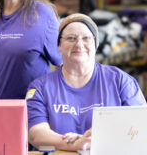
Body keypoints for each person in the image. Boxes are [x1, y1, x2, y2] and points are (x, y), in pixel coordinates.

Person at [26, 13, 146, 151]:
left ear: (96, 44)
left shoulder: (120, 81)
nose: (79, 44)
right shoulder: (40, 87)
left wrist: (97, 140)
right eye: (71, 38)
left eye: (86, 38)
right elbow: (35, 136)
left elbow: (140, 128)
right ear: (59, 45)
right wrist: (75, 144)